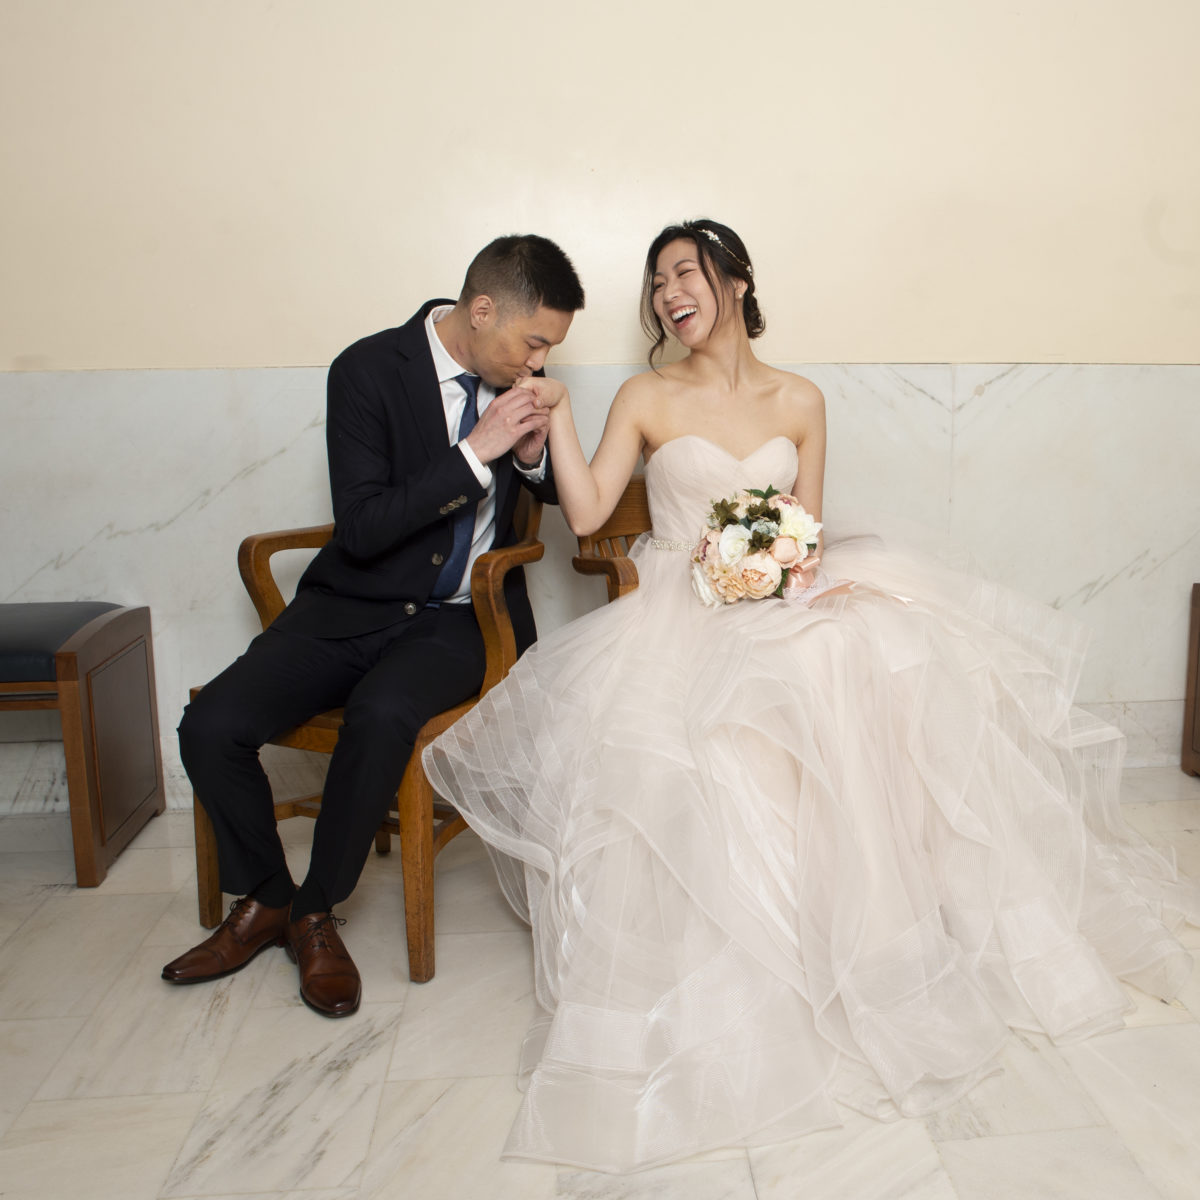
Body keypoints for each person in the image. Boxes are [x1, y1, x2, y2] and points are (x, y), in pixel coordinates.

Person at [423, 219, 1200, 1173]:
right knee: (755, 697)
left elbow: (811, 532)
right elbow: (586, 514)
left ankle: (883, 948)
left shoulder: (803, 398)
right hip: (682, 607)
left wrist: (784, 566)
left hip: (781, 594)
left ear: (737, 282)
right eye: (659, 280)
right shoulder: (643, 393)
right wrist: (567, 420)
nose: (671, 292)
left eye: (688, 272)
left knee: (865, 654)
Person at [163, 234, 585, 1017]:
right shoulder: (365, 370)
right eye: (533, 342)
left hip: (463, 621)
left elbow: (563, 496)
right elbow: (359, 527)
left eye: (548, 351)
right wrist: (476, 451)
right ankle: (267, 897)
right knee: (210, 725)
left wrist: (526, 456)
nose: (537, 364)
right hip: (348, 605)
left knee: (383, 713)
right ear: (482, 309)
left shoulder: (519, 380)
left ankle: (317, 909)